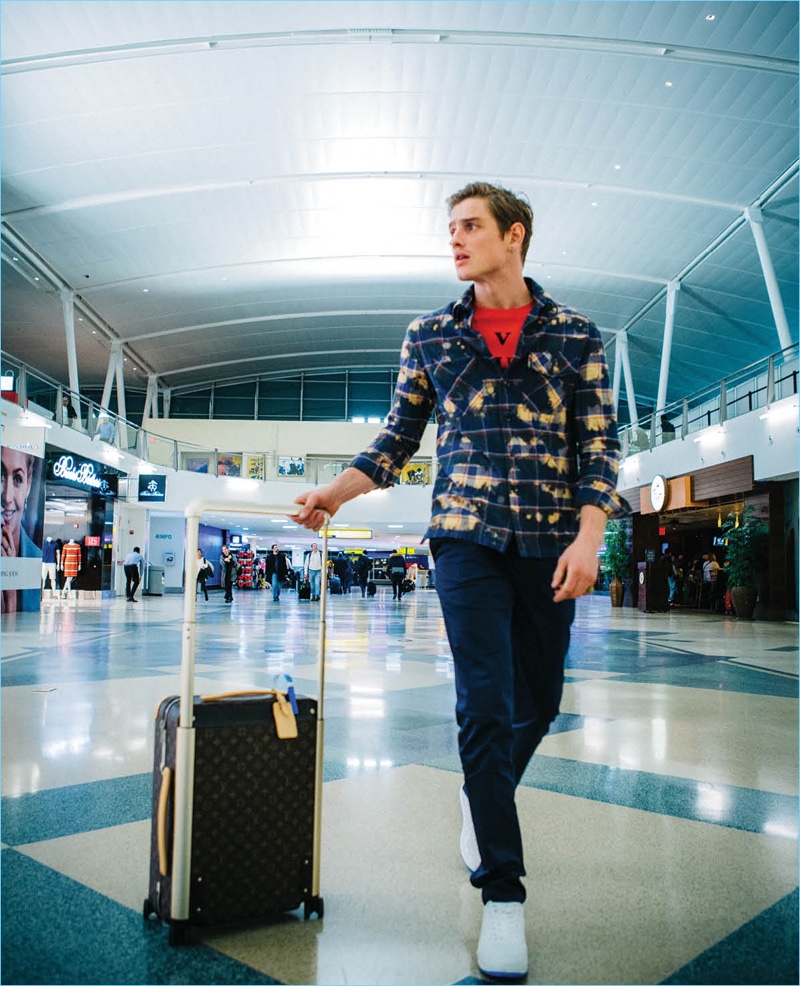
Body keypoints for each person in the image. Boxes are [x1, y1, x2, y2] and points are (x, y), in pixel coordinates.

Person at [294, 181, 628, 979]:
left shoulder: (577, 335)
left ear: (515, 236)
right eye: (451, 229)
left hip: (551, 541)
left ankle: (484, 796)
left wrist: (591, 538)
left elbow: (600, 448)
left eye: (471, 227)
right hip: (465, 538)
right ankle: (502, 897)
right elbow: (397, 435)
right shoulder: (431, 336)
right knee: (483, 701)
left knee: (538, 701)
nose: (455, 240)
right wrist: (335, 491)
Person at [1, 447, 41, 613]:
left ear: (28, 486)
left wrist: (11, 592)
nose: (7, 497)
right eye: (0, 475)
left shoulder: (35, 557)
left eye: (18, 479)